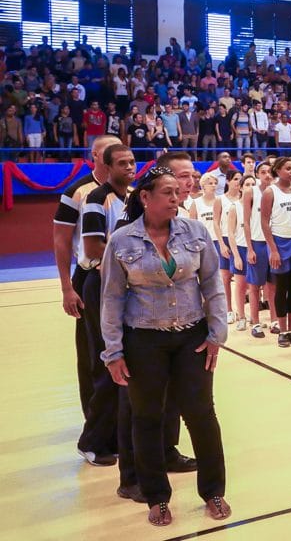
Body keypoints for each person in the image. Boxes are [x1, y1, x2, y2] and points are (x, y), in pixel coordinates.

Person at [100, 167, 230, 526]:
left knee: (201, 414)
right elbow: (111, 298)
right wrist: (113, 351)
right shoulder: (122, 241)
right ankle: (156, 497)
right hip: (143, 340)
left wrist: (216, 334)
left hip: (192, 337)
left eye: (178, 192)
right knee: (147, 418)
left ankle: (213, 491)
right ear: (146, 197)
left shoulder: (196, 231)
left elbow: (212, 286)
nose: (177, 198)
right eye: (168, 193)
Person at [53, 135, 121, 435]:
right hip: (90, 277)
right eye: (110, 152)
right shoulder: (77, 191)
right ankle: (95, 427)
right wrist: (67, 287)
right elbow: (61, 239)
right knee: (95, 356)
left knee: (120, 353)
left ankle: (120, 424)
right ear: (95, 155)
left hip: (121, 280)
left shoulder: (129, 193)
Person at [76, 143, 136, 473]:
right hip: (99, 284)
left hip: (119, 283)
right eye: (122, 163)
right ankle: (91, 442)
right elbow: (93, 246)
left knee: (121, 366)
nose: (129, 168)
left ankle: (111, 435)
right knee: (105, 367)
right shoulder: (98, 199)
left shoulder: (128, 199)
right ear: (107, 167)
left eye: (132, 162)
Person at [261, 156, 291, 347]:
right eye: (287, 168)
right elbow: (264, 221)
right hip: (279, 243)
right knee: (281, 288)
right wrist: (273, 249)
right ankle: (282, 330)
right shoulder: (271, 192)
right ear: (277, 170)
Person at [242, 161, 277, 338]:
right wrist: (249, 248)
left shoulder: (277, 191)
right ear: (257, 175)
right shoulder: (251, 192)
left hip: (275, 243)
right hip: (257, 243)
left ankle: (274, 320)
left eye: (269, 172)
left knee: (273, 285)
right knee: (255, 286)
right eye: (263, 172)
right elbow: (246, 222)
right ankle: (255, 322)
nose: (267, 175)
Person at [226, 174, 255, 333]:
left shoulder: (258, 206)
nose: (251, 187)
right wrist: (236, 255)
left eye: (253, 184)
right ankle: (242, 317)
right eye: (248, 184)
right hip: (240, 248)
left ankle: (253, 317)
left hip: (255, 247)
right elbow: (230, 233)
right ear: (242, 187)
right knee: (240, 285)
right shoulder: (234, 207)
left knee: (255, 286)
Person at [212, 170, 241, 326]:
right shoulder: (220, 199)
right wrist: (221, 244)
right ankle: (229, 310)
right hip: (224, 239)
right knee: (225, 278)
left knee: (243, 280)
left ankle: (242, 312)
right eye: (236, 179)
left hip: (241, 239)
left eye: (240, 179)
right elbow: (215, 223)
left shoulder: (244, 199)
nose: (238, 182)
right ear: (228, 181)